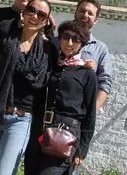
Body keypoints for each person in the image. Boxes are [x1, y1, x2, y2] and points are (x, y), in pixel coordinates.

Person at [0, 0, 54, 175]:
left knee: (3, 172)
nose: (35, 16)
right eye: (31, 10)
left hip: (20, 119)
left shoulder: (49, 51)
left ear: (46, 21)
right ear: (23, 13)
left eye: (41, 14)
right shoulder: (4, 42)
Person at [29, 20, 97, 175]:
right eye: (66, 37)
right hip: (40, 129)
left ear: (82, 44)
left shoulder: (87, 74)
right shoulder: (51, 64)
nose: (70, 42)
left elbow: (90, 114)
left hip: (66, 133)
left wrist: (82, 150)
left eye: (76, 39)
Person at [72, 0, 113, 113]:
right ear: (75, 13)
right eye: (82, 11)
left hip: (80, 113)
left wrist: (92, 112)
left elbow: (105, 82)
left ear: (96, 20)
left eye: (90, 13)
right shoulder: (57, 41)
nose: (85, 15)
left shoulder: (100, 49)